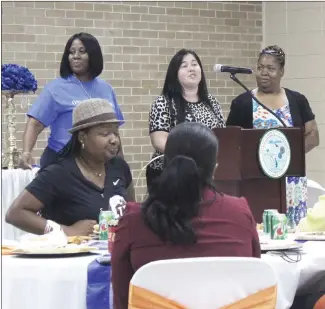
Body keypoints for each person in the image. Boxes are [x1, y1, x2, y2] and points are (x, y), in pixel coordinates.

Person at [111, 122, 260, 309]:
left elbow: (122, 299)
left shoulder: (133, 220)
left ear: (165, 163)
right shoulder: (240, 212)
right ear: (214, 168)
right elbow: (253, 283)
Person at [6, 99, 134, 236]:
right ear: (82, 137)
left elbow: (133, 211)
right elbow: (16, 213)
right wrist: (67, 231)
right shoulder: (58, 173)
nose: (114, 140)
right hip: (69, 255)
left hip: (114, 254)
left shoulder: (120, 167)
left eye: (115, 133)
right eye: (105, 134)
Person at [226, 45, 319, 225]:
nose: (264, 73)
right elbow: (231, 142)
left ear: (282, 71)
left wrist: (288, 158)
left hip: (291, 182)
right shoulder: (243, 102)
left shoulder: (297, 100)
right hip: (257, 181)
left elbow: (313, 136)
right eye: (260, 67)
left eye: (271, 68)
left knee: (293, 230)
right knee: (261, 227)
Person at [19, 32, 124, 169]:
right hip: (62, 161)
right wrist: (26, 152)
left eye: (82, 51)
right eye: (71, 52)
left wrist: (120, 162)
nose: (75, 56)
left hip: (100, 162)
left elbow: (114, 130)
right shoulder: (56, 89)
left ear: (93, 55)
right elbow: (35, 124)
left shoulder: (106, 89)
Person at [147, 48, 225, 191]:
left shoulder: (212, 103)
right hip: (170, 173)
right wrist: (193, 158)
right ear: (174, 74)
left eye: (194, 64)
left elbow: (221, 136)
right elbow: (159, 141)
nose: (191, 69)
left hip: (206, 174)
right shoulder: (163, 102)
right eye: (184, 66)